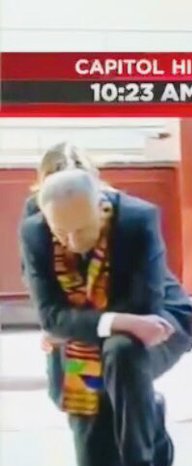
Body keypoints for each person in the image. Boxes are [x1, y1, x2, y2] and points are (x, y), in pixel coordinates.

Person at [20, 169, 192, 466]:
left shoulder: (136, 220)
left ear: (100, 208)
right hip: (98, 335)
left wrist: (80, 324)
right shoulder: (34, 233)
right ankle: (149, 412)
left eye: (81, 229)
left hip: (159, 323)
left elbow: (143, 306)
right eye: (61, 232)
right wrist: (110, 322)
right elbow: (50, 317)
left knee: (122, 351)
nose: (72, 242)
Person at [20, 142, 112, 407]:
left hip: (106, 305)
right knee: (62, 392)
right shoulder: (35, 214)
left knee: (104, 389)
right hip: (66, 309)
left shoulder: (110, 208)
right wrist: (51, 322)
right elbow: (33, 271)